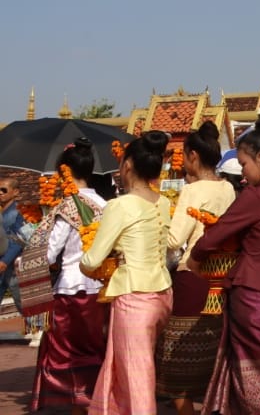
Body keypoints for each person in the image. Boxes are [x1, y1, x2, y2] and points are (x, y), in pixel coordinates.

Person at [188, 116, 260, 414]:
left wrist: (195, 257)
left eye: (244, 165)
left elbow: (218, 233)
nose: (242, 173)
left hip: (253, 294)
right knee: (257, 371)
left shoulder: (257, 195)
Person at [80, 130, 174, 415]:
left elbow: (92, 259)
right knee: (128, 369)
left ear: (129, 165)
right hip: (162, 295)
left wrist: (84, 261)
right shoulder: (164, 202)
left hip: (134, 298)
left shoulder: (119, 206)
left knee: (136, 376)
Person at [156, 130, 237, 414]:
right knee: (214, 350)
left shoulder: (192, 190)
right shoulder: (227, 188)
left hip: (194, 274)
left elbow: (174, 239)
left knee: (174, 361)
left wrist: (156, 217)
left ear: (193, 156)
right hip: (223, 277)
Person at [31, 141, 108, 414]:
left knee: (66, 353)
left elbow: (49, 254)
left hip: (72, 287)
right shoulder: (104, 203)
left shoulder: (69, 206)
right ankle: (94, 401)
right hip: (100, 287)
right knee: (95, 348)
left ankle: (76, 403)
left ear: (65, 172)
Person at [0, 174, 28, 313]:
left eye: (4, 190)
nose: (0, 193)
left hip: (14, 265)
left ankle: (36, 330)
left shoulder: (19, 212)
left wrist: (5, 261)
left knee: (22, 301)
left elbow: (20, 238)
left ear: (15, 192)